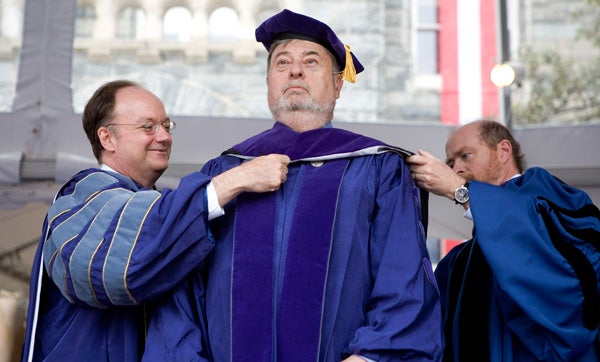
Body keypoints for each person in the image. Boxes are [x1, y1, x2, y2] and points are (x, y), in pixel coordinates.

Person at [144, 9, 442, 362]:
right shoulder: (226, 172)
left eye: (311, 61)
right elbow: (180, 292)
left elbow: (404, 281)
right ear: (269, 83)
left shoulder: (378, 169)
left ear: (337, 84)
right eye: (281, 62)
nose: (295, 70)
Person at [20, 80, 290, 361]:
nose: (164, 137)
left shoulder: (165, 210)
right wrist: (234, 181)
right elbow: (126, 262)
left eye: (166, 126)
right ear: (107, 138)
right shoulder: (79, 200)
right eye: (148, 127)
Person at [407, 119, 600, 361]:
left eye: (465, 156)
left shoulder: (546, 194)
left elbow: (556, 264)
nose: (456, 168)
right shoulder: (460, 259)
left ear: (503, 151)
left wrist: (460, 190)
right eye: (450, 162)